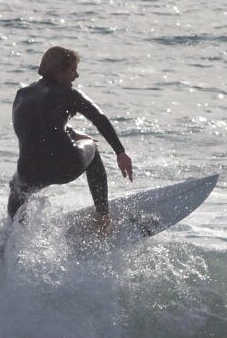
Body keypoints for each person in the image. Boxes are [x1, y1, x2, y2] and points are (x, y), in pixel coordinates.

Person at [8, 46, 134, 233]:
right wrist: (120, 152)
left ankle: (14, 234)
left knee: (17, 187)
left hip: (30, 172)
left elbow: (35, 127)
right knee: (91, 147)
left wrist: (72, 133)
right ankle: (103, 219)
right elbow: (99, 118)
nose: (76, 76)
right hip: (63, 166)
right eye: (72, 70)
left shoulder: (22, 95)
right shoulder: (68, 95)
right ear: (58, 72)